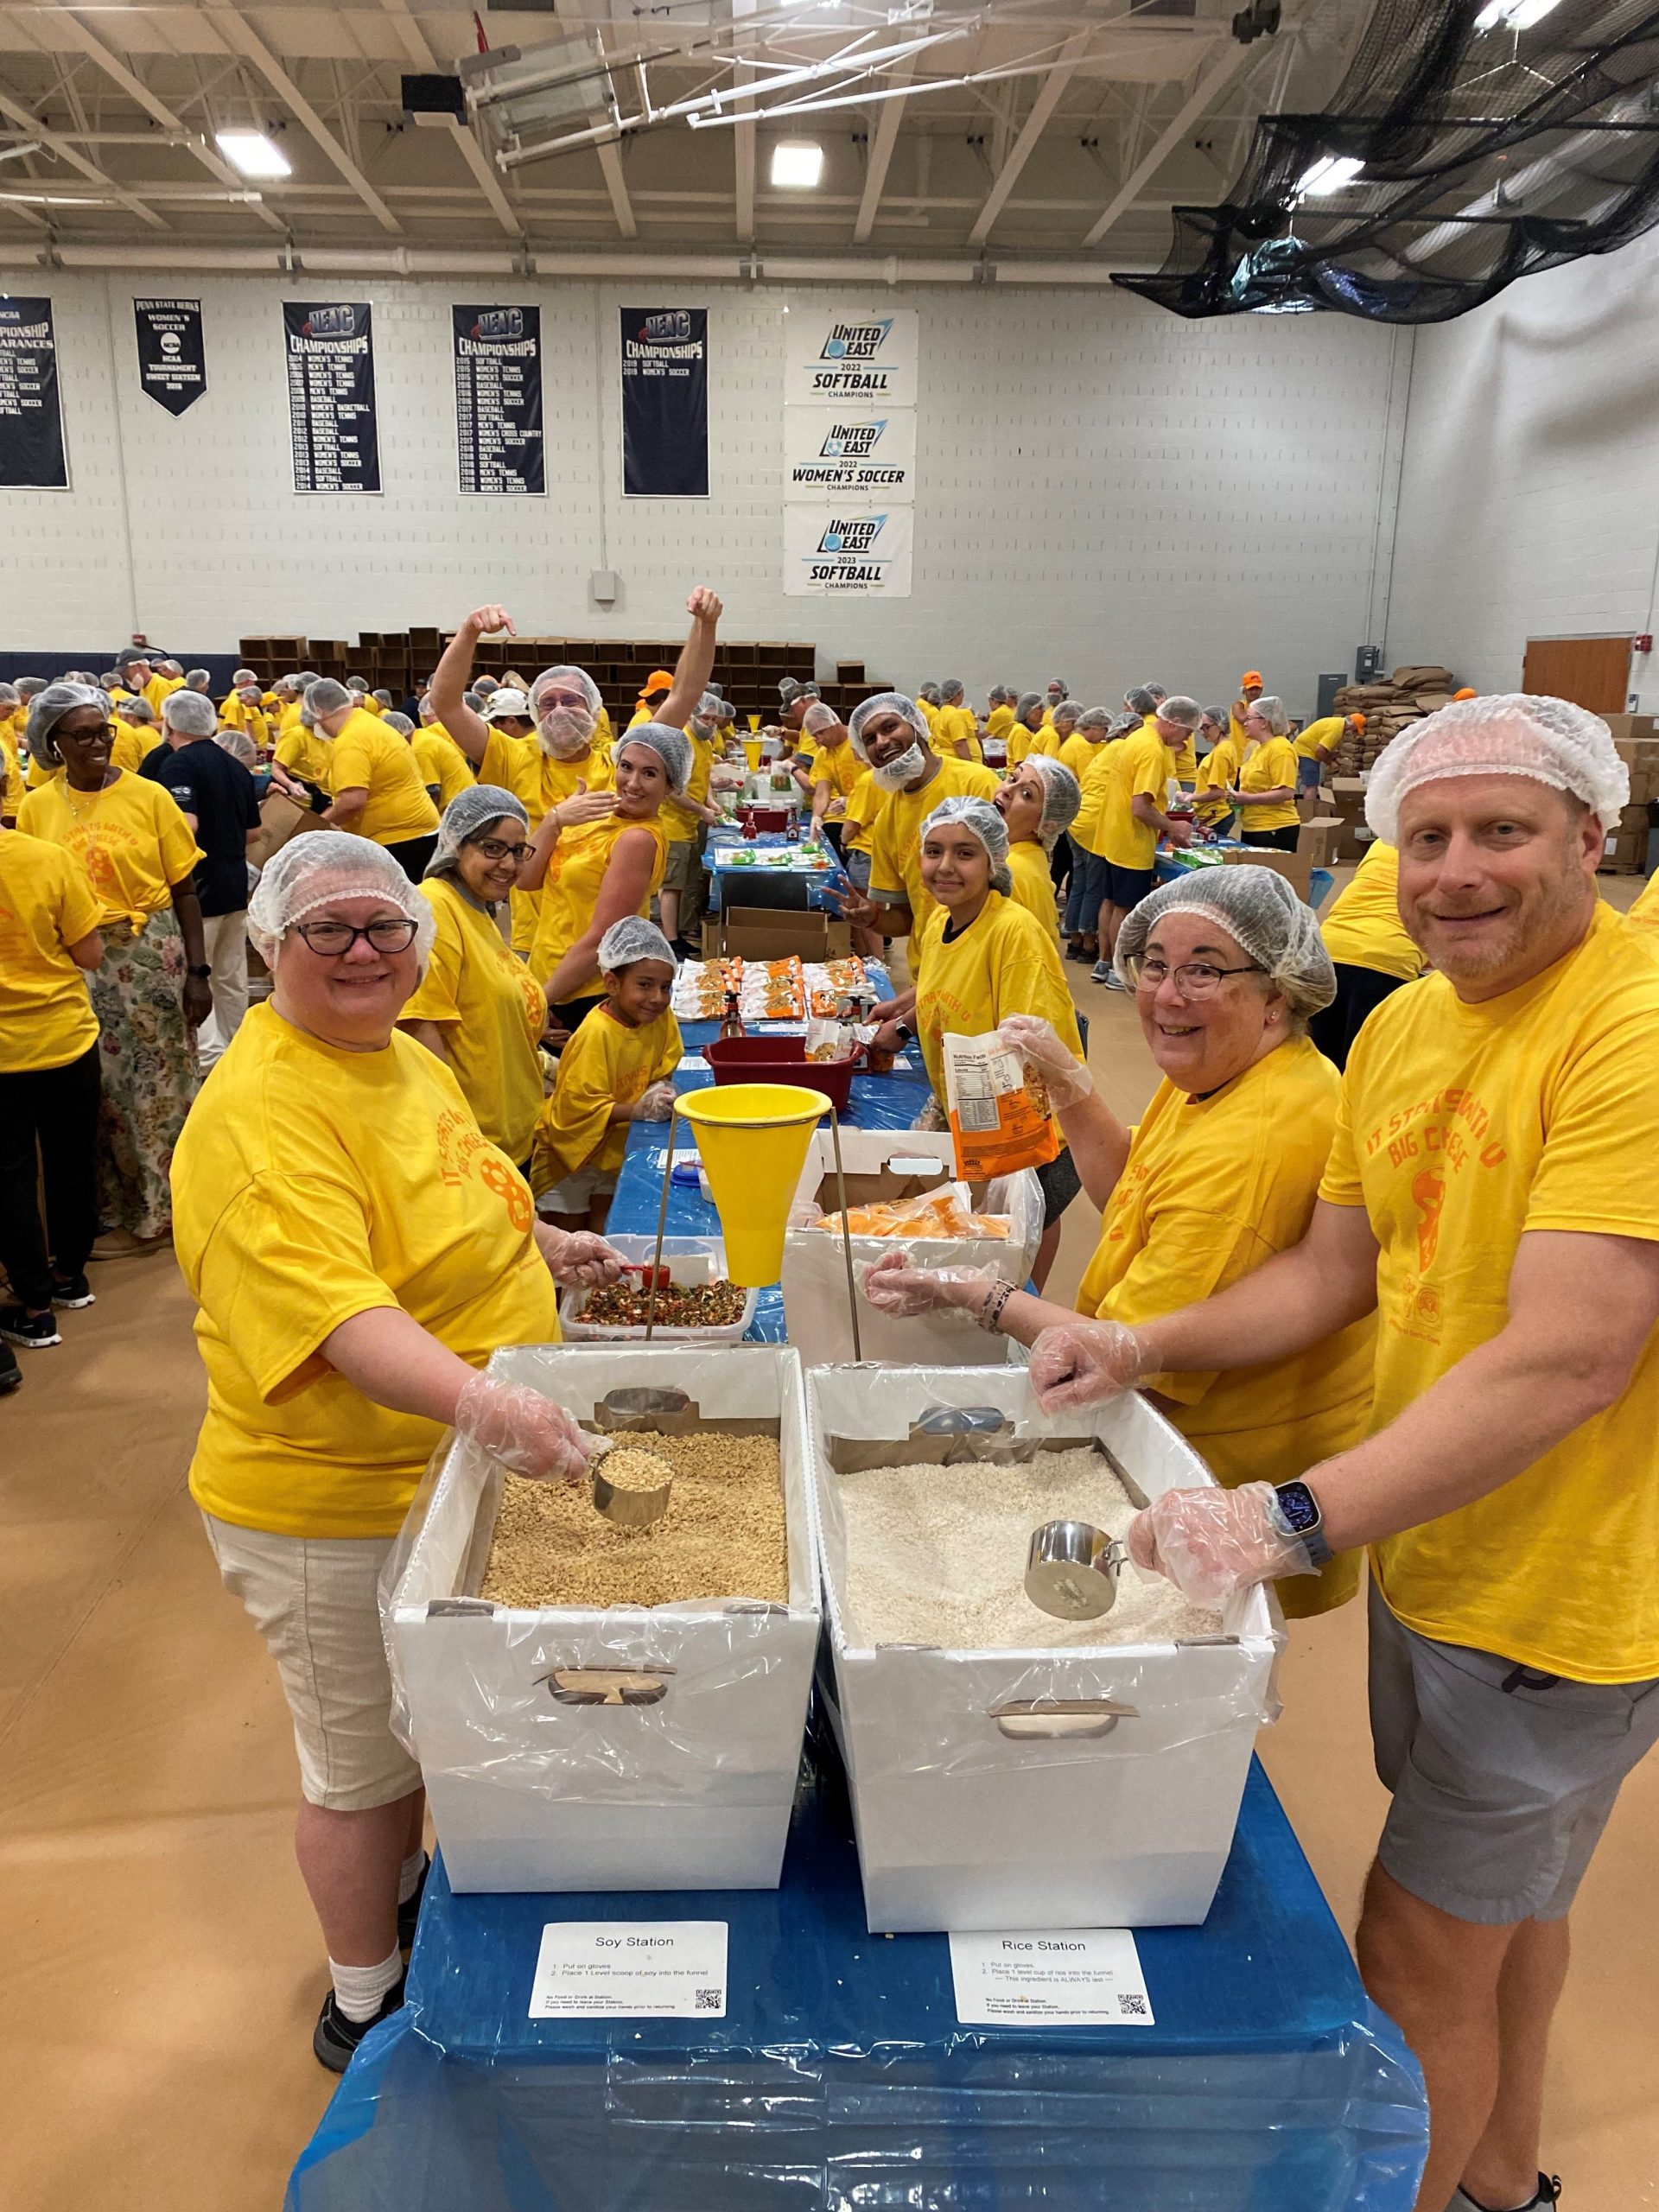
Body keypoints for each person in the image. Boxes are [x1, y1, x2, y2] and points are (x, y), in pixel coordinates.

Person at [1026, 696, 1659, 2212]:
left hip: (1562, 1585)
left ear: (1593, 834)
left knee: (1415, 1951)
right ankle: (1505, 2174)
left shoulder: (1629, 1031)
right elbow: (1339, 1273)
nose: (1455, 871)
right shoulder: (1419, 1025)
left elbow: (1576, 1353)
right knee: (1513, 1909)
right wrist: (1141, 1343)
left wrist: (1284, 1520)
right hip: (1435, 1536)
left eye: (1501, 831)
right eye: (1425, 837)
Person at [172, 832, 627, 2072]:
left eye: (385, 926)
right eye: (329, 930)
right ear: (268, 950)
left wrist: (543, 1255)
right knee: (363, 1763)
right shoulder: (261, 1115)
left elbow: (450, 1208)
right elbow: (346, 1320)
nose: (365, 950)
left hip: (438, 1479)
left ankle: (411, 1900)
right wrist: (492, 1405)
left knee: (428, 1725)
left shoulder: (390, 1055)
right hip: (332, 1505)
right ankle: (363, 1998)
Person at [870, 864, 1374, 1616]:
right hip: (1182, 1416)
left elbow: (1128, 1350)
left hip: (1214, 1476)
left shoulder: (1257, 1142)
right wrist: (1071, 1086)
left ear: (1278, 995)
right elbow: (1135, 1191)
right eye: (1156, 965)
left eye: (1204, 971)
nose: (1167, 995)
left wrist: (973, 1292)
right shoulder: (1226, 1074)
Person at [17, 683, 210, 1249]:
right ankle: (108, 1202)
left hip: (152, 953)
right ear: (53, 741)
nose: (101, 742)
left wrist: (198, 975)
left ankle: (166, 1204)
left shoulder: (149, 796)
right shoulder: (37, 806)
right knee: (98, 1089)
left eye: (105, 731)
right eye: (84, 735)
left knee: (164, 1084)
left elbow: (185, 889)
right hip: (79, 963)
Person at [883, 797, 1084, 1283]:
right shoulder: (940, 920)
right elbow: (938, 992)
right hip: (967, 1111)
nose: (944, 867)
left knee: (1015, 1252)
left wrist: (982, 1159)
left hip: (1021, 1127)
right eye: (934, 851)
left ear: (993, 862)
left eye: (964, 854)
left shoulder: (1013, 935)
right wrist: (904, 1026)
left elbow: (1024, 1052)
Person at [518, 593, 722, 1028]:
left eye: (649, 775)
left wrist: (705, 625)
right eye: (627, 768)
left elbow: (684, 692)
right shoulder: (593, 804)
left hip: (578, 988)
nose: (632, 780)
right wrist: (554, 821)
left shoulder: (634, 833)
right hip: (543, 967)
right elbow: (527, 880)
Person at [431, 624, 619, 958]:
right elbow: (445, 703)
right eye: (547, 703)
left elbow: (680, 702)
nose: (559, 710)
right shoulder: (514, 757)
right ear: (535, 713)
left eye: (570, 700)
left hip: (608, 935)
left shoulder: (618, 764)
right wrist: (470, 632)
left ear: (592, 708)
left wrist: (705, 626)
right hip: (536, 938)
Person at [397, 787, 549, 1172]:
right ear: (456, 845)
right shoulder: (436, 906)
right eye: (492, 848)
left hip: (511, 1135)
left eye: (518, 850)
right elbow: (419, 1025)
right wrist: (462, 1137)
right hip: (477, 1146)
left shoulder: (478, 910)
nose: (509, 864)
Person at [0, 819, 105, 1350]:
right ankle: (71, 1276)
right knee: (71, 1159)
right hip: (65, 1037)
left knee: (10, 1180)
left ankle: (35, 1306)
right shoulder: (48, 858)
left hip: (4, 1057)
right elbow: (90, 954)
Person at [531, 917, 681, 1230]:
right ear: (612, 984)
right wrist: (637, 1110)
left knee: (604, 1228)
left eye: (665, 987)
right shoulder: (596, 1034)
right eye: (645, 985)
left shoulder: (659, 1018)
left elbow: (665, 1060)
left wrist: (658, 1088)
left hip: (613, 1148)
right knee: (569, 1233)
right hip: (571, 1157)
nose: (657, 997)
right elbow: (575, 1110)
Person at [139, 689, 262, 1068]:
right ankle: (240, 1051)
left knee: (197, 971)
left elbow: (186, 823)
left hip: (199, 885)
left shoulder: (178, 765)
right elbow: (254, 833)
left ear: (170, 725)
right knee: (231, 974)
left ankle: (209, 1059)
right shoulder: (235, 765)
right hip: (234, 881)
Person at [830, 693, 998, 947]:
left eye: (890, 727)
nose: (883, 742)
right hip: (928, 966)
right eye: (870, 740)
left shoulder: (977, 783)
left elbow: (1010, 884)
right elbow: (908, 918)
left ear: (916, 725)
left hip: (983, 959)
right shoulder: (888, 819)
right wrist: (873, 918)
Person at [1089, 695, 1200, 987]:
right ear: (1174, 723)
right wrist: (1173, 827)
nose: (1187, 741)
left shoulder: (1137, 737)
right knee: (1125, 908)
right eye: (1187, 732)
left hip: (1113, 835)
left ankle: (1103, 962)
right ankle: (1118, 970)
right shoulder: (1152, 751)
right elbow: (1141, 807)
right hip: (1131, 839)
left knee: (1111, 901)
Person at [303, 679, 441, 880]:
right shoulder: (369, 724)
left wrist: (314, 829)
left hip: (398, 839)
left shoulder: (351, 740)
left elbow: (352, 801)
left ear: (319, 711)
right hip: (418, 831)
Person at [1309, 840, 1426, 1070]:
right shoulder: (1438, 851)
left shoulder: (1382, 843)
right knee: (1364, 1064)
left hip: (1329, 945)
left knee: (1320, 1060)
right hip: (1387, 956)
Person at [658, 690, 724, 957]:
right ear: (692, 715)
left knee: (690, 881)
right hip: (674, 824)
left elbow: (703, 778)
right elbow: (672, 791)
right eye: (706, 718)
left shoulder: (705, 744)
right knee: (672, 886)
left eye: (714, 720)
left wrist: (711, 803)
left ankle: (684, 929)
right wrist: (702, 810)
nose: (711, 724)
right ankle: (671, 940)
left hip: (693, 823)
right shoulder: (680, 743)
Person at [995, 753, 1081, 945]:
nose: (1008, 790)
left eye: (1027, 794)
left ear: (1046, 824)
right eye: (1013, 778)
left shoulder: (1007, 871)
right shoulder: (1029, 855)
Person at [1229, 695, 1302, 851]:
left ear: (1264, 722)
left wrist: (1248, 798)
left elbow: (1285, 792)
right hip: (1252, 827)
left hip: (1274, 828)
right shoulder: (1258, 748)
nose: (1244, 724)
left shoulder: (1281, 749)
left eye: (1249, 719)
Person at [806, 700, 863, 849]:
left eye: (821, 733)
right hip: (846, 816)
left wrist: (851, 800)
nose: (818, 739)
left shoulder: (859, 743)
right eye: (814, 736)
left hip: (870, 813)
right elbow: (821, 792)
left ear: (834, 724)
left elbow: (878, 784)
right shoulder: (823, 754)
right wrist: (816, 817)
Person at [1295, 709, 1363, 791]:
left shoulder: (1338, 723)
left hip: (1305, 749)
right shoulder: (1336, 730)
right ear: (1352, 725)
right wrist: (1330, 763)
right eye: (1355, 730)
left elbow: (1325, 747)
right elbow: (1320, 751)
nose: (1354, 733)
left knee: (1312, 784)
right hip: (1306, 752)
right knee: (1312, 786)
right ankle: (1310, 804)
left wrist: (1332, 757)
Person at [1006, 690, 1058, 769]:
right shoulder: (1021, 732)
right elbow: (1022, 765)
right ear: (1028, 710)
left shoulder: (1029, 730)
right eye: (1039, 708)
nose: (1043, 711)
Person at [934, 680, 982, 764]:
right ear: (957, 695)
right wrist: (970, 766)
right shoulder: (954, 715)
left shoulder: (940, 714)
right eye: (962, 693)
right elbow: (959, 744)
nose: (963, 696)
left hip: (946, 760)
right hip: (956, 761)